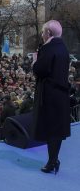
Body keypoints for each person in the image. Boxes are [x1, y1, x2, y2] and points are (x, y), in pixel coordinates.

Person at [32, 20, 70, 174]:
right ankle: (53, 159)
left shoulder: (48, 48)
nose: (42, 35)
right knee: (56, 130)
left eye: (43, 32)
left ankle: (52, 162)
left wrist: (35, 62)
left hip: (49, 94)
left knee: (52, 130)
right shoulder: (63, 47)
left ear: (49, 33)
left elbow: (40, 70)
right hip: (60, 94)